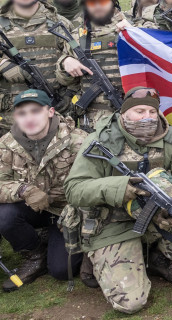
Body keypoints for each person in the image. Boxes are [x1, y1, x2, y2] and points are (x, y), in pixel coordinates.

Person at [64, 87, 172, 314]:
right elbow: (74, 189)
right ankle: (98, 255)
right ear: (124, 114)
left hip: (155, 216)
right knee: (131, 303)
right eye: (139, 111)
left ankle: (158, 258)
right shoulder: (100, 140)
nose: (147, 117)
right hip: (112, 223)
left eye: (151, 111)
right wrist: (121, 188)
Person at [0, 90, 87, 291]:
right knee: (5, 215)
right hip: (32, 207)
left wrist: (75, 215)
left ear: (50, 112)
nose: (29, 118)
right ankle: (34, 254)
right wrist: (23, 190)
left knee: (61, 271)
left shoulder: (77, 140)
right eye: (22, 113)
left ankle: (54, 240)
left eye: (35, 111)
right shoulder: (6, 144)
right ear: (15, 117)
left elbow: (92, 184)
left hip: (68, 211)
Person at [0, 0, 77, 134]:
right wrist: (3, 65)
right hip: (10, 118)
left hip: (55, 113)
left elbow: (79, 66)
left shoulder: (60, 24)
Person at [58, 0, 133, 130]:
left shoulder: (133, 28)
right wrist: (65, 63)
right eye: (91, 2)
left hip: (132, 116)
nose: (97, 6)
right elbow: (65, 82)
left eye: (103, 0)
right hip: (93, 121)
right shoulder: (77, 36)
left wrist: (136, 36)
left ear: (114, 0)